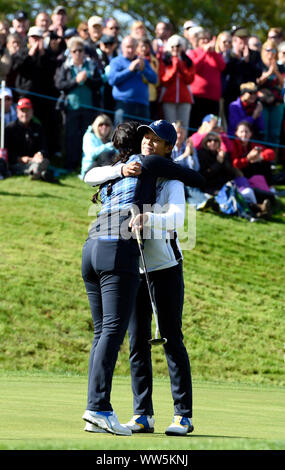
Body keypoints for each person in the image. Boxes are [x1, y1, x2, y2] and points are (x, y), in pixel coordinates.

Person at [82, 120, 205, 436]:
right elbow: (91, 176)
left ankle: (183, 415)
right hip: (132, 266)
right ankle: (143, 413)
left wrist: (149, 218)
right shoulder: (130, 170)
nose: (149, 142)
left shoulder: (171, 181)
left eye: (157, 140)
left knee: (169, 337)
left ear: (168, 148)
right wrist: (120, 173)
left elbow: (177, 218)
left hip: (164, 267)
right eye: (146, 137)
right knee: (137, 341)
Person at [55, 36, 103, 170]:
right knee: (70, 137)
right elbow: (59, 84)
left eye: (80, 50)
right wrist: (76, 80)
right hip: (71, 107)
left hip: (89, 107)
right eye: (75, 51)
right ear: (70, 52)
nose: (78, 53)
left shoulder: (91, 65)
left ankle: (85, 166)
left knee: (86, 137)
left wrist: (87, 80)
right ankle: (70, 165)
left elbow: (99, 83)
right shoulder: (65, 66)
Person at [108, 35, 157, 125]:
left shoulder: (143, 61)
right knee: (123, 136)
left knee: (142, 136)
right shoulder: (116, 61)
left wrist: (143, 70)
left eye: (132, 47)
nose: (130, 50)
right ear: (122, 47)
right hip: (124, 104)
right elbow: (112, 80)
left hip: (142, 105)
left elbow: (154, 79)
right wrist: (129, 70)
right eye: (128, 47)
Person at [187, 29, 226, 131]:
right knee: (195, 125)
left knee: (212, 127)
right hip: (197, 97)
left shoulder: (215, 55)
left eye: (207, 39)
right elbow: (194, 67)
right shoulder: (193, 52)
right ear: (198, 41)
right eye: (202, 40)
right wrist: (204, 52)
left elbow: (222, 67)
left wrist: (213, 53)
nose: (205, 42)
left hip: (213, 98)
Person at [4, 97, 50, 180]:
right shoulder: (10, 128)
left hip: (34, 161)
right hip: (17, 163)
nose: (25, 114)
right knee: (31, 166)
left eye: (27, 110)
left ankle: (37, 172)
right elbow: (6, 151)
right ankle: (38, 173)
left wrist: (40, 153)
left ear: (32, 112)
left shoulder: (38, 127)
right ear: (17, 112)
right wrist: (20, 158)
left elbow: (44, 147)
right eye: (22, 111)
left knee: (42, 161)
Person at [159, 34, 195, 130]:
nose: (175, 48)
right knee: (170, 127)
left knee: (183, 128)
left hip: (185, 98)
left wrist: (181, 66)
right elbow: (164, 80)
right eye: (173, 46)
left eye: (178, 46)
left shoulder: (188, 61)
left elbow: (189, 79)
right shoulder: (164, 60)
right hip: (168, 98)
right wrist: (174, 66)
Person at [231, 120, 275, 189]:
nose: (244, 134)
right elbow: (234, 164)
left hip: (253, 169)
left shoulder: (253, 144)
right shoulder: (233, 145)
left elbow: (271, 153)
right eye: (241, 132)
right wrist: (247, 159)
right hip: (239, 172)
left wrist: (261, 157)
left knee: (265, 162)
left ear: (251, 133)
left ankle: (271, 187)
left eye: (246, 131)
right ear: (236, 133)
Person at [256, 39, 284, 146]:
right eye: (268, 50)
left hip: (277, 102)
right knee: (264, 132)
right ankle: (264, 160)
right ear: (263, 51)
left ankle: (273, 160)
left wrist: (275, 71)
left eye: (273, 50)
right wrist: (268, 73)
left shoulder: (280, 66)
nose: (270, 53)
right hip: (262, 102)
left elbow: (282, 84)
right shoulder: (259, 65)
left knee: (275, 133)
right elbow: (257, 83)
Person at [80, 114, 116, 178]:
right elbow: (91, 155)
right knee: (105, 155)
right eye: (101, 124)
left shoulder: (111, 138)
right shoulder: (89, 136)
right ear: (96, 125)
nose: (104, 127)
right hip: (89, 171)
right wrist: (109, 146)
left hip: (105, 168)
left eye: (107, 125)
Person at [136, 37, 159, 120]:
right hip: (138, 95)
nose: (144, 48)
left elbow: (157, 79)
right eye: (141, 46)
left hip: (152, 95)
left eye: (146, 46)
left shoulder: (154, 60)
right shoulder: (134, 59)